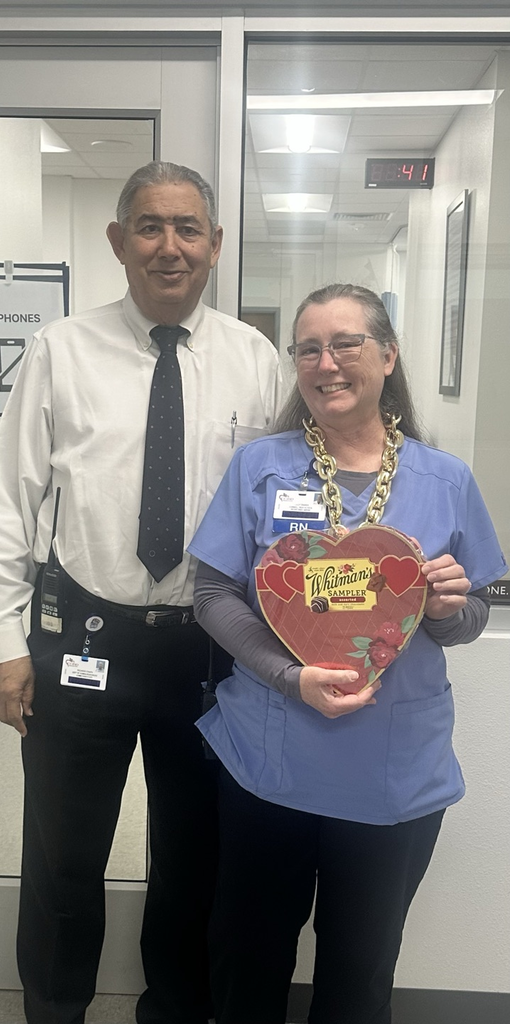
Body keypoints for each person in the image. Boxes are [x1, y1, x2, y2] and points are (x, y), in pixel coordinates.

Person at [0, 160, 283, 1024]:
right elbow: (6, 504)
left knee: (195, 860)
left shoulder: (254, 360)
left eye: (188, 228)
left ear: (214, 246)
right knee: (63, 859)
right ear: (119, 243)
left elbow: (278, 514)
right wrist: (3, 648)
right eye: (149, 227)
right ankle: (55, 1009)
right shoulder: (59, 350)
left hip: (209, 651)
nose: (169, 246)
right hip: (82, 635)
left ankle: (174, 1012)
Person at [188, 283, 507, 1024]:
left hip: (391, 779)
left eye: (345, 344)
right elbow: (212, 595)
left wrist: (449, 610)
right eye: (307, 348)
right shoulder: (260, 468)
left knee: (359, 975)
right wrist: (287, 677)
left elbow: (468, 619)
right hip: (270, 762)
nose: (325, 363)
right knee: (247, 957)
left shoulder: (445, 480)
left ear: (388, 356)